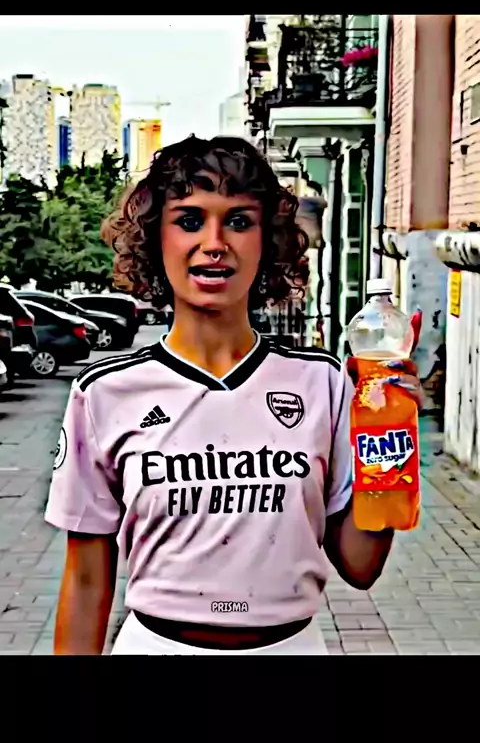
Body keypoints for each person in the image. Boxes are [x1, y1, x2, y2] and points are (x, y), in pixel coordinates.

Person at [44, 135, 422, 655]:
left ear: (268, 241)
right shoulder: (106, 394)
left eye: (239, 222)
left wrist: (391, 433)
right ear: (156, 240)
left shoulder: (323, 382)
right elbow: (87, 583)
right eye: (189, 220)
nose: (215, 242)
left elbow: (361, 566)